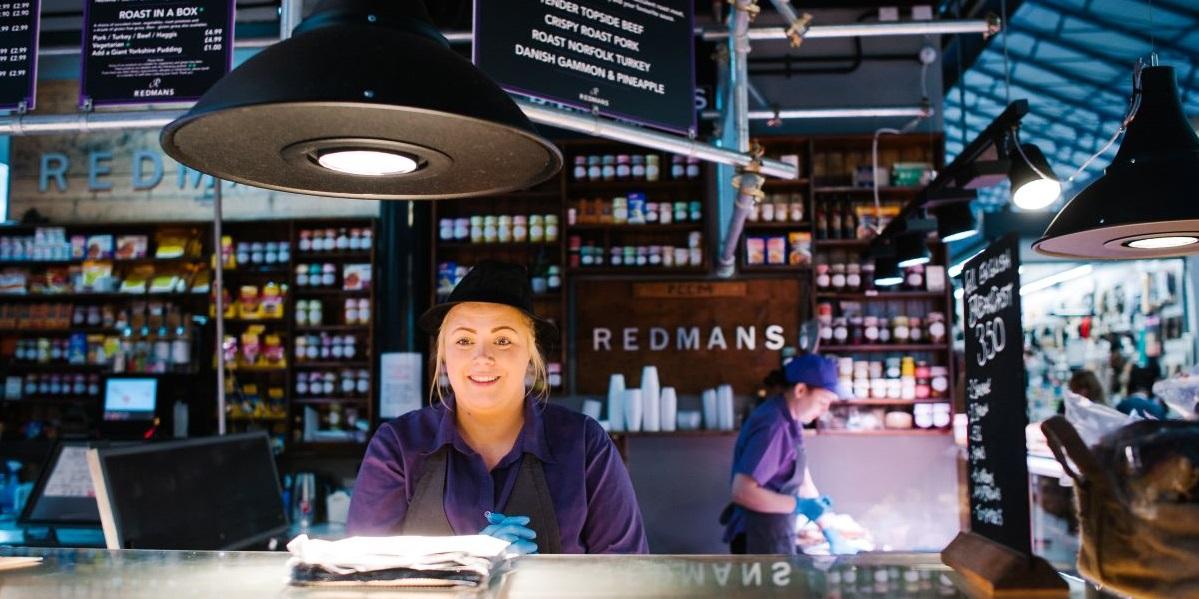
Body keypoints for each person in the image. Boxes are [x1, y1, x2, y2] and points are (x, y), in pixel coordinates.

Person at [346, 261, 648, 554]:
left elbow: (629, 575)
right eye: (463, 340)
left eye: (503, 340)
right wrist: (468, 563)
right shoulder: (398, 446)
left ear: (530, 356)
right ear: (443, 355)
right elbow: (363, 580)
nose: (482, 357)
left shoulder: (584, 443)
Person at [721, 354, 854, 555]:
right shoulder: (774, 425)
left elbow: (803, 482)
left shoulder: (792, 420)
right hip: (757, 537)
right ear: (801, 390)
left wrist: (828, 529)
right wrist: (799, 505)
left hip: (776, 531)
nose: (826, 409)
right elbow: (742, 492)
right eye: (823, 401)